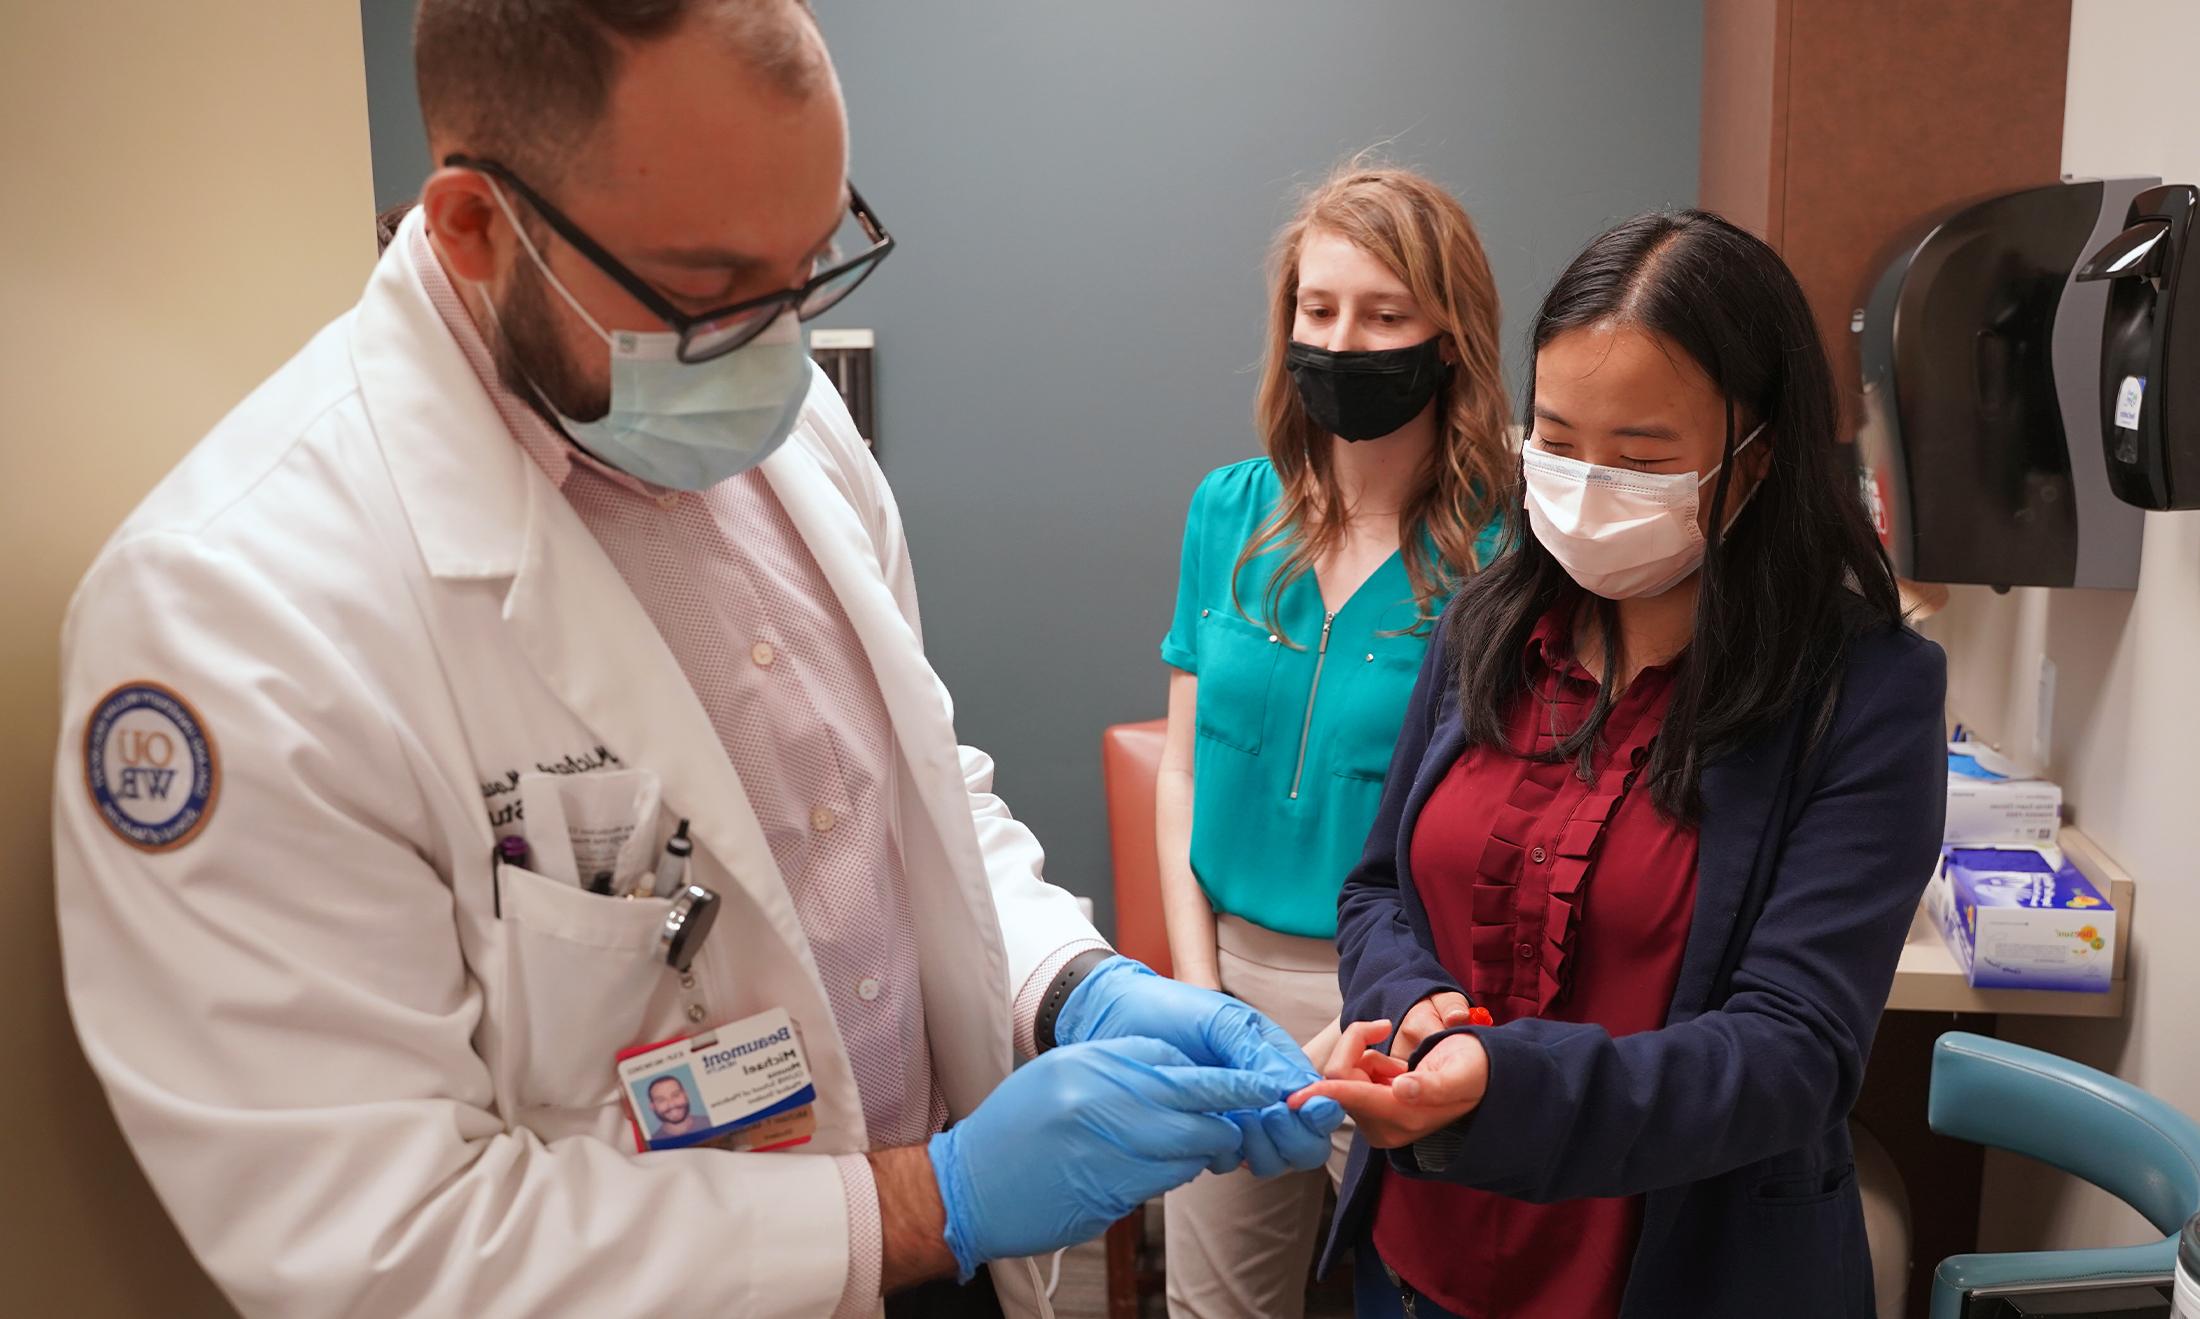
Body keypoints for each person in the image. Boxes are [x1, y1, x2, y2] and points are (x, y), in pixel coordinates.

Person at [50, 4, 1340, 1317]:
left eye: (814, 259)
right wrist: (928, 1196)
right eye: (716, 288)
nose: (781, 346)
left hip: (954, 1258)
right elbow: (389, 1246)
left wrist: (1064, 984)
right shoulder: (235, 619)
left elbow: (894, 800)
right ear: (474, 230)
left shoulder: (772, 413)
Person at [1293, 210, 1948, 1319]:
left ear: (1760, 452)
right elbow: (1378, 889)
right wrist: (1413, 1009)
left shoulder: (1862, 693)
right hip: (1418, 1254)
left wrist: (1504, 1084)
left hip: (1676, 1269)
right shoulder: (1485, 627)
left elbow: (1793, 1049)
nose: (1587, 488)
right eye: (1553, 440)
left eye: (1642, 458)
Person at [1155, 162, 1510, 1319]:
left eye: (1384, 313)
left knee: (1411, 1296)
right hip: (1228, 979)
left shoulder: (1509, 557)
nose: (1343, 342)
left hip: (1402, 994)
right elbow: (1182, 768)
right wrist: (1200, 994)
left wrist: (1422, 1015)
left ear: (1447, 336)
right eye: (1319, 311)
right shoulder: (1227, 512)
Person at [644, 1073, 710, 1139]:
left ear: (686, 1095)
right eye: (661, 1100)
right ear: (652, 1106)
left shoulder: (710, 1122)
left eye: (676, 1095)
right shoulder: (654, 1142)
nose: (671, 1104)